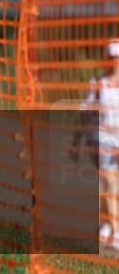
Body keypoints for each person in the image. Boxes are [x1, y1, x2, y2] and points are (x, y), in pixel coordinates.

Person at [71, 39, 119, 249]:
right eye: (111, 57)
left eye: (117, 58)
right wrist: (76, 141)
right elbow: (84, 114)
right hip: (102, 139)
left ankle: (105, 223)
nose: (114, 62)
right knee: (109, 182)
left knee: (113, 186)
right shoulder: (98, 85)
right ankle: (116, 231)